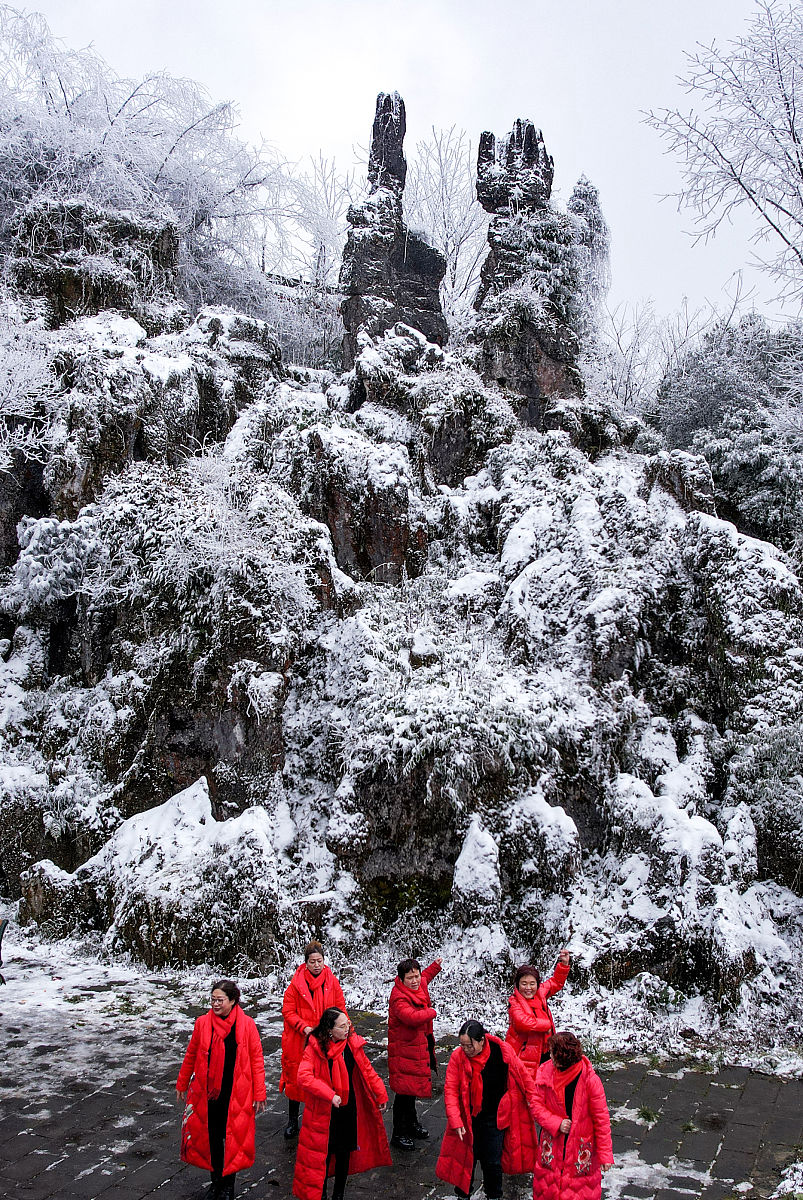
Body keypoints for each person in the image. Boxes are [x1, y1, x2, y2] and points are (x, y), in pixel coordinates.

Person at [176, 979, 267, 1200]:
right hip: (209, 1093)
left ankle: (228, 1185)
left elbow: (257, 1059)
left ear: (233, 1001)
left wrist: (259, 1093)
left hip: (236, 1092)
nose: (215, 1004)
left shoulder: (246, 1025)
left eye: (220, 1000)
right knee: (212, 1138)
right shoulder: (202, 1024)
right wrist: (182, 1082)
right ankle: (215, 1181)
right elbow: (191, 1054)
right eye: (213, 1000)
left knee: (233, 1140)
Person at [435, 1019, 541, 1200]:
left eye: (470, 1045)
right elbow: (451, 1090)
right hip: (469, 1119)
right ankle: (463, 1194)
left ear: (482, 1040)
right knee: (467, 1159)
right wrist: (455, 1120)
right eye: (462, 1045)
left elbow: (523, 1076)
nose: (466, 1050)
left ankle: (494, 1195)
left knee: (492, 1161)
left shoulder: (502, 1051)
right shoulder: (457, 1058)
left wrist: (535, 1103)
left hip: (496, 1118)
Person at [292, 1007, 391, 1200]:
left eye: (348, 1024)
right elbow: (303, 1077)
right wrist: (329, 1095)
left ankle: (339, 1194)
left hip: (347, 1107)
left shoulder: (351, 1044)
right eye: (342, 1026)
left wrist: (381, 1094)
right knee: (323, 1155)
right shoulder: (315, 1048)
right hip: (323, 1112)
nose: (347, 1029)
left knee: (344, 1152)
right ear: (330, 1030)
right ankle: (321, 1195)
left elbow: (367, 1070)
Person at [530, 1031, 614, 1200]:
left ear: (561, 1058)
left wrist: (605, 1154)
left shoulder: (590, 1081)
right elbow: (535, 1104)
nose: (549, 1055)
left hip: (579, 1148)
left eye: (552, 1052)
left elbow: (601, 1119)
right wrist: (556, 1123)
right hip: (552, 1144)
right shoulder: (545, 1072)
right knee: (548, 1188)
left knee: (579, 1191)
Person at [281, 941, 347, 1139]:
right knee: (295, 1079)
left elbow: (340, 1007)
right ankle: (293, 1120)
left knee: (322, 1079)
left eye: (319, 961)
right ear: (306, 963)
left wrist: (341, 1028)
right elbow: (288, 1011)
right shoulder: (296, 985)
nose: (316, 965)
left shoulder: (331, 982)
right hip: (299, 1040)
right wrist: (304, 1027)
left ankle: (321, 1119)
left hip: (324, 1039)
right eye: (312, 961)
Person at [387, 955, 442, 1149]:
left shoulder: (419, 985)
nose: (415, 980)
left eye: (416, 976)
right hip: (404, 1050)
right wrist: (432, 1012)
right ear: (401, 979)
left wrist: (435, 966)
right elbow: (411, 1017)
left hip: (419, 1046)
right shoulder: (398, 997)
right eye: (410, 978)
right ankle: (398, 1133)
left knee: (412, 1091)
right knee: (403, 1093)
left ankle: (411, 1124)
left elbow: (426, 976)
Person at [505, 950, 571, 1078]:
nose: (528, 988)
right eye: (524, 984)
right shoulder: (514, 1002)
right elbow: (523, 1022)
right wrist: (546, 1025)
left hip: (545, 1050)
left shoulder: (540, 993)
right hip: (523, 1054)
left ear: (537, 984)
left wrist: (564, 964)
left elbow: (555, 982)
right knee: (526, 1086)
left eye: (532, 984)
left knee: (545, 1083)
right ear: (517, 985)